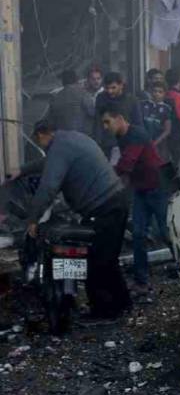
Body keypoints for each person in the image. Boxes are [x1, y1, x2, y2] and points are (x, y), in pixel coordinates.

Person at [20, 121, 131, 321]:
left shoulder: (59, 147)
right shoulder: (71, 138)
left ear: (43, 134)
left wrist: (33, 220)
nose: (41, 146)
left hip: (103, 206)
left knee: (94, 261)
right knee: (108, 258)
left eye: (38, 140)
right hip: (116, 200)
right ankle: (123, 303)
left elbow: (48, 187)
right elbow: (48, 164)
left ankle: (104, 312)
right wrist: (23, 169)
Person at [101, 104, 167, 296]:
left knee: (166, 233)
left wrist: (104, 176)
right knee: (138, 235)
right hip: (141, 190)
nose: (106, 126)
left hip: (157, 188)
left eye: (108, 122)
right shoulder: (121, 137)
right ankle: (142, 282)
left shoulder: (136, 134)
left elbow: (126, 164)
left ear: (120, 117)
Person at [94, 72, 144, 163]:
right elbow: (97, 122)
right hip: (106, 144)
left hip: (125, 145)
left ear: (121, 85)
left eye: (113, 88)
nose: (110, 91)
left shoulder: (131, 100)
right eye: (107, 88)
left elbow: (138, 124)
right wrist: (98, 142)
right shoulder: (101, 98)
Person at [47, 69, 91, 134]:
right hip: (81, 135)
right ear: (76, 80)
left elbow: (51, 120)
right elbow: (92, 112)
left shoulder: (55, 97)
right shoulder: (83, 93)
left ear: (63, 82)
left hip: (62, 136)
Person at [140, 81, 173, 161]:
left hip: (159, 144)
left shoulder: (167, 108)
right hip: (143, 142)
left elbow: (167, 130)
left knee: (160, 166)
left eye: (160, 92)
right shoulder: (142, 104)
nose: (157, 94)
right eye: (154, 91)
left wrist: (155, 143)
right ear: (150, 91)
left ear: (164, 94)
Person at [165, 69, 180, 164]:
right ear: (179, 80)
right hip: (178, 132)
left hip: (167, 130)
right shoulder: (178, 96)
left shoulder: (166, 94)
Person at [83, 67, 103, 136]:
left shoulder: (105, 94)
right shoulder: (84, 95)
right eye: (93, 79)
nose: (96, 81)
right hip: (88, 132)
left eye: (98, 78)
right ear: (88, 80)